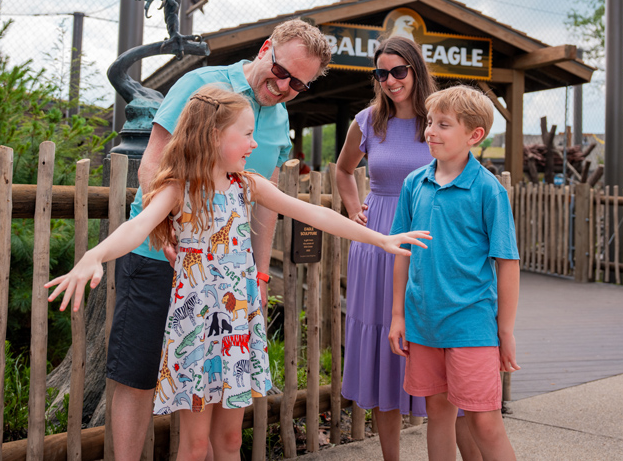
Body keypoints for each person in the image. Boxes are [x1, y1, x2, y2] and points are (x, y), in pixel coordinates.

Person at [46, 85, 432, 461]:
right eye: (246, 135)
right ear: (214, 136)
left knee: (230, 440)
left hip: (237, 328)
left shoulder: (246, 184)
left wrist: (380, 239)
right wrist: (94, 255)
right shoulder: (180, 188)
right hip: (195, 333)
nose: (253, 145)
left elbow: (315, 213)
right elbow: (138, 226)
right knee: (195, 448)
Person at [103, 19, 332, 461]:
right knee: (138, 373)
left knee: (211, 381)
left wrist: (260, 273)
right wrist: (166, 231)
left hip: (221, 277)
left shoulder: (279, 116)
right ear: (267, 48)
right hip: (158, 255)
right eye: (282, 72)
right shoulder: (202, 84)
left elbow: (261, 202)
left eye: (298, 85)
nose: (284, 87)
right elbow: (153, 165)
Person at [338, 37, 487, 461]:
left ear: (416, 70)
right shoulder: (368, 121)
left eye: (398, 71)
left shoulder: (440, 120)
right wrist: (355, 210)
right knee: (384, 352)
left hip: (432, 240)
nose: (389, 81)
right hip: (379, 243)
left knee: (441, 347)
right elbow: (344, 170)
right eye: (380, 73)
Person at [389, 85, 521, 461]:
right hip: (424, 322)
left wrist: (506, 331)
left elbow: (507, 263)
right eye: (430, 122)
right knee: (438, 415)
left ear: (474, 135)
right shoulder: (414, 183)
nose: (430, 130)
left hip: (471, 324)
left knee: (485, 423)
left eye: (443, 124)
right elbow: (402, 249)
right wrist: (398, 315)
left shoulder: (488, 191)